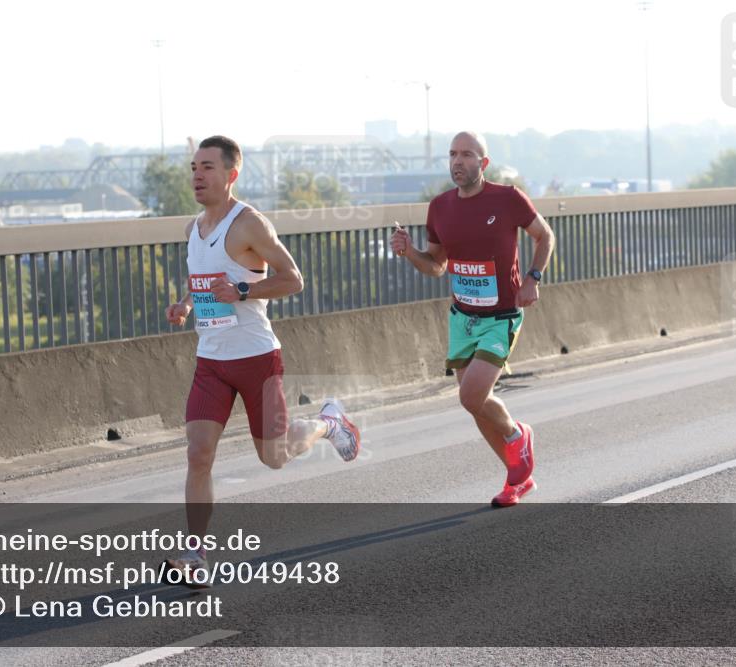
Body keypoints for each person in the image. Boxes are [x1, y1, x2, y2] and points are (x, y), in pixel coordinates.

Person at [163, 135, 361, 585]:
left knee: (273, 457)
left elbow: (294, 280)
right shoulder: (193, 228)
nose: (197, 175)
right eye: (194, 166)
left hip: (256, 358)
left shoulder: (250, 224)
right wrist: (185, 304)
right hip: (211, 361)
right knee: (198, 455)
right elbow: (204, 281)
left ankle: (330, 423)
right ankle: (195, 554)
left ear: (231, 174)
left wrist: (246, 291)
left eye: (208, 167)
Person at [391, 131, 555, 507]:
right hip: (462, 317)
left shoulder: (508, 198)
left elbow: (544, 236)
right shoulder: (440, 207)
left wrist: (533, 278)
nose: (457, 161)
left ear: (483, 163)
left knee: (472, 394)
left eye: (467, 154)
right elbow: (436, 267)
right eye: (452, 155)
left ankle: (517, 437)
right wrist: (410, 251)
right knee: (474, 403)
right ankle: (517, 479)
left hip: (501, 316)